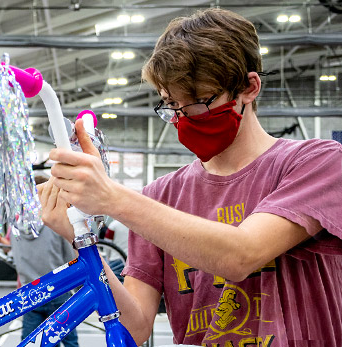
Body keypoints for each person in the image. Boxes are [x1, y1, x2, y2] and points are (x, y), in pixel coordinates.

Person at [39, 8, 342, 346]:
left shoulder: (316, 163)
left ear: (249, 88)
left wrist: (113, 197)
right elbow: (135, 328)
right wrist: (79, 238)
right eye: (171, 105)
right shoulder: (159, 197)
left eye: (197, 102)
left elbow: (241, 255)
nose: (182, 118)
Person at [11, 175, 79, 347]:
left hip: (31, 292)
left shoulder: (16, 227)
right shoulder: (56, 224)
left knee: (32, 342)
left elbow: (17, 259)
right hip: (59, 289)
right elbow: (70, 259)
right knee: (69, 341)